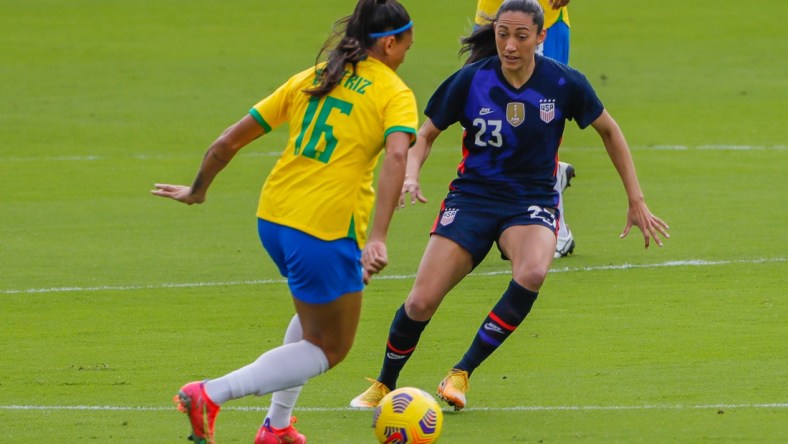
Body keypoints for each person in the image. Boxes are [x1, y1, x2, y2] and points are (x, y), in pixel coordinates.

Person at [350, 0, 668, 411]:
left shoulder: (564, 83)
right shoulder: (470, 81)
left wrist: (635, 199)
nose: (510, 45)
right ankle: (384, 384)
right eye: (503, 34)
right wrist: (411, 174)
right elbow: (424, 135)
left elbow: (609, 130)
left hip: (530, 200)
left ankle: (460, 373)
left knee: (534, 270)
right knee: (420, 302)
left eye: (521, 36)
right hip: (472, 198)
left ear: (541, 37)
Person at [152, 1, 417, 442]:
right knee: (330, 347)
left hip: (273, 220)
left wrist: (198, 189)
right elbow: (396, 154)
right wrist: (379, 238)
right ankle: (209, 394)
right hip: (323, 229)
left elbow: (227, 141)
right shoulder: (394, 92)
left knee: (314, 320)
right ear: (390, 43)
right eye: (407, 44)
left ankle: (276, 427)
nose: (408, 53)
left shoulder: (313, 78)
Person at [478, 0, 576, 258]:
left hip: (545, 19)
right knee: (495, 121)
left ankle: (558, 231)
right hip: (494, 16)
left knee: (540, 126)